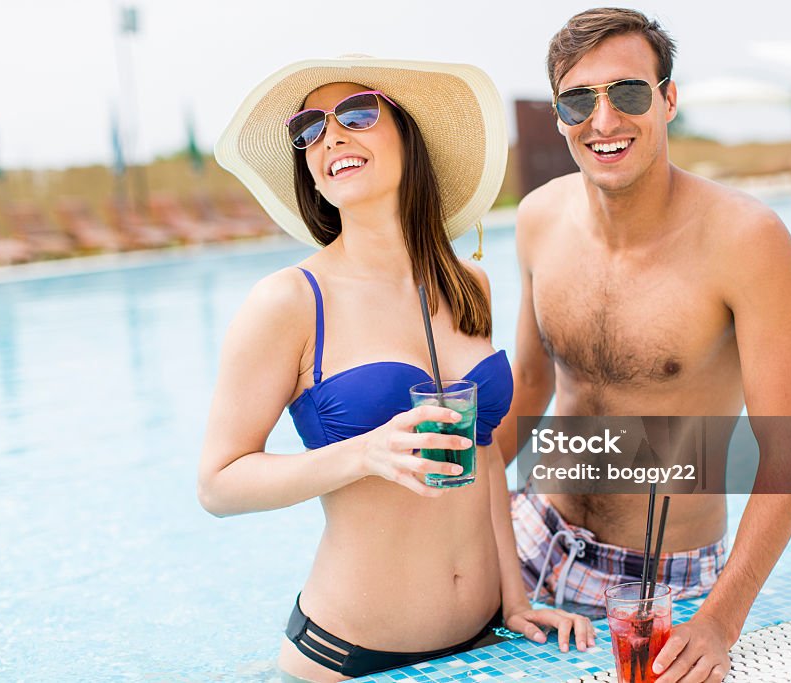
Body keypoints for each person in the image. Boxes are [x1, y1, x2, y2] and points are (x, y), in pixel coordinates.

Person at [198, 56, 591, 682]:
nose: (330, 135)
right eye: (309, 127)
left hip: (487, 638)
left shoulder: (470, 286)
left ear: (408, 135)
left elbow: (483, 452)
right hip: (354, 657)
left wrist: (515, 598)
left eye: (357, 113)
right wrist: (363, 454)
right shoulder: (291, 301)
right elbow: (217, 485)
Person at [495, 9, 791, 683]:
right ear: (559, 116)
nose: (604, 120)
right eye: (578, 100)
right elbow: (528, 383)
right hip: (533, 527)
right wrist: (450, 494)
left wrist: (720, 620)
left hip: (654, 582)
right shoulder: (538, 218)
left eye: (629, 93)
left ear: (668, 99)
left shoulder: (746, 241)